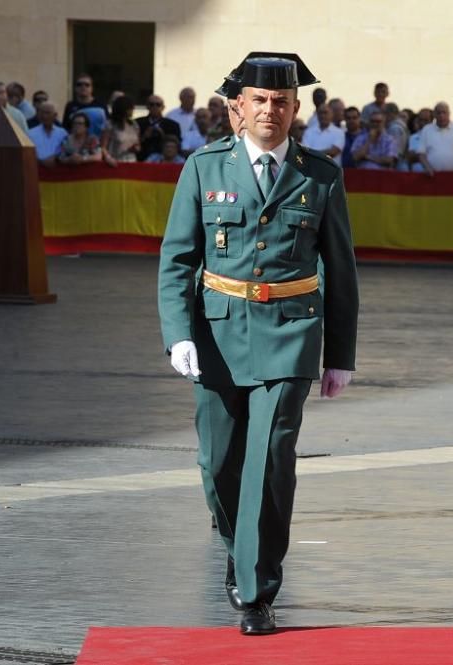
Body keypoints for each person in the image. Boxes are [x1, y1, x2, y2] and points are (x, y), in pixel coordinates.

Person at [158, 53, 358, 636]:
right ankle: (238, 545)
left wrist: (339, 355)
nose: (271, 111)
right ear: (236, 108)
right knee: (217, 463)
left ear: (296, 110)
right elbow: (177, 260)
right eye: (260, 101)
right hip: (217, 332)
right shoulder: (204, 168)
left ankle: (256, 589)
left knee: (271, 459)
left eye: (282, 102)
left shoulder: (319, 174)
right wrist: (177, 334)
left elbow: (340, 268)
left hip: (291, 334)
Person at [416, 102, 453, 175]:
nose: (441, 115)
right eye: (439, 113)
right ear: (434, 115)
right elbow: (421, 153)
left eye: (444, 112)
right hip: (433, 175)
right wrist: (427, 167)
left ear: (449, 114)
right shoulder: (427, 130)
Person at [136, 95, 181, 161]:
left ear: (163, 107)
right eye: (151, 104)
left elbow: (177, 145)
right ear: (147, 106)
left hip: (165, 160)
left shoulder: (173, 125)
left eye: (158, 104)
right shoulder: (138, 123)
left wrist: (164, 136)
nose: (155, 107)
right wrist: (144, 136)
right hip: (142, 158)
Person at [28, 101, 68, 167]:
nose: (44, 116)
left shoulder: (62, 133)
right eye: (42, 113)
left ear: (55, 115)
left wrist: (55, 158)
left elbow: (66, 151)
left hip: (58, 169)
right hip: (37, 169)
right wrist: (41, 161)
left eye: (47, 113)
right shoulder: (30, 133)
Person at [103, 95, 140, 164]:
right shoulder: (111, 125)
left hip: (131, 161)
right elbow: (103, 147)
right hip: (115, 161)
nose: (133, 110)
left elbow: (138, 144)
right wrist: (108, 158)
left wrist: (136, 148)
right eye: (131, 108)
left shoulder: (134, 124)